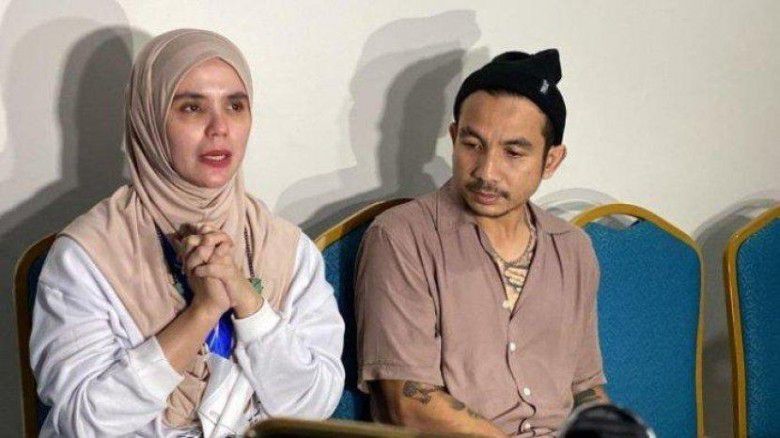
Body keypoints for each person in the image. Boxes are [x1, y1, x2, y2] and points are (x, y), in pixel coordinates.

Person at [30, 29, 345, 437]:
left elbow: (313, 405)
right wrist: (203, 312)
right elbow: (84, 423)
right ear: (149, 119)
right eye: (192, 108)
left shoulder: (284, 248)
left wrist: (247, 300)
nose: (220, 127)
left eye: (235, 105)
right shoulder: (89, 254)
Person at [355, 49, 608, 437]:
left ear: (551, 161)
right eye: (472, 144)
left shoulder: (573, 249)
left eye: (513, 152)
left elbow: (585, 388)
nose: (487, 172)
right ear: (454, 137)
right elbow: (406, 403)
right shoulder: (402, 237)